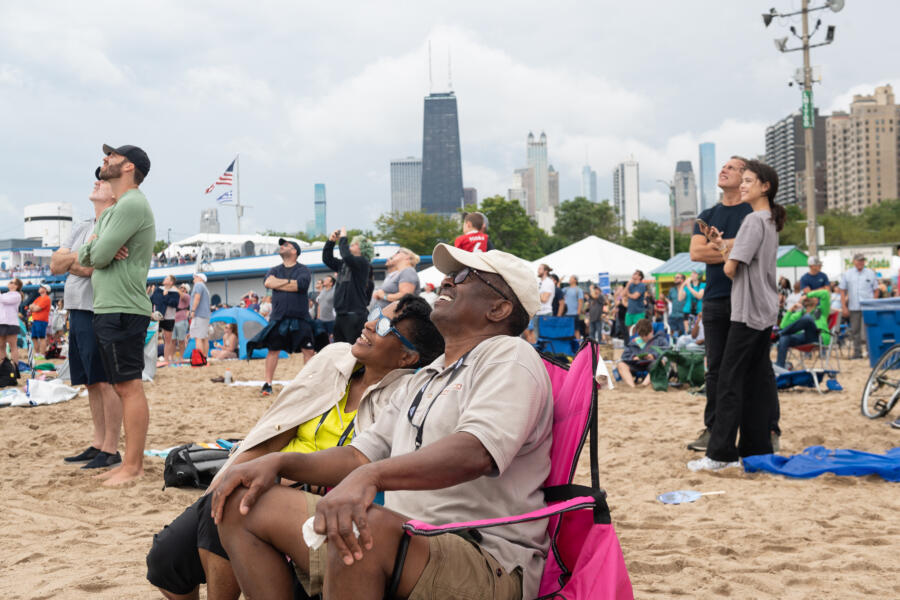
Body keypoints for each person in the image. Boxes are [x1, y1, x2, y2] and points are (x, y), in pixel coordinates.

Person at [209, 243, 551, 600]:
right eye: (449, 275)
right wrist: (278, 461)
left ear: (499, 308)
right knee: (243, 503)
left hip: (484, 557)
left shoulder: (509, 356)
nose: (447, 283)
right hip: (403, 539)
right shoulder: (424, 377)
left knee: (363, 526)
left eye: (464, 276)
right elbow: (359, 456)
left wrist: (370, 477)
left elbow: (477, 451)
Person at [146, 296, 444, 600]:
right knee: (164, 561)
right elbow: (276, 430)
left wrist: (282, 475)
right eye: (375, 314)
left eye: (383, 325)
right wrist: (227, 476)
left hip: (309, 495)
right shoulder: (333, 360)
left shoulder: (406, 398)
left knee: (230, 511)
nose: (368, 324)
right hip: (267, 471)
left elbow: (363, 465)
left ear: (407, 358)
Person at [689, 160, 783, 472]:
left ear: (764, 186)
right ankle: (755, 449)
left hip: (747, 310)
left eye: (748, 180)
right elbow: (717, 258)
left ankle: (721, 454)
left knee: (728, 379)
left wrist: (722, 252)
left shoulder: (753, 221)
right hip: (763, 309)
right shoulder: (769, 220)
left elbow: (731, 270)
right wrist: (724, 246)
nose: (743, 185)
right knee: (754, 380)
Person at [77, 143, 155, 486]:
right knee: (123, 386)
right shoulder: (118, 208)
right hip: (114, 306)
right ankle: (129, 462)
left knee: (128, 386)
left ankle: (133, 466)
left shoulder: (132, 204)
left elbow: (98, 255)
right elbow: (92, 251)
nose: (105, 160)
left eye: (112, 157)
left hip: (123, 307)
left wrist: (98, 247)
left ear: (129, 167)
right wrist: (97, 246)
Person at [51, 177, 124, 470]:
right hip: (77, 307)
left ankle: (111, 448)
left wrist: (73, 262)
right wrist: (78, 261)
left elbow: (97, 266)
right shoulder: (82, 225)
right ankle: (98, 443)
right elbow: (56, 264)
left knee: (106, 381)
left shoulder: (115, 224)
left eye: (104, 181)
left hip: (101, 307)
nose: (97, 182)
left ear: (114, 194)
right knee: (91, 381)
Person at [686, 156, 754, 453]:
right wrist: (732, 248)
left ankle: (766, 427)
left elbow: (752, 247)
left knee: (754, 367)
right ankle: (712, 428)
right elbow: (695, 254)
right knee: (714, 368)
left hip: (747, 296)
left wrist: (722, 246)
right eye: (723, 166)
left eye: (732, 167)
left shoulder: (753, 211)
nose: (723, 170)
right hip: (715, 297)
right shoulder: (708, 213)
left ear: (745, 177)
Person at [247, 239, 315, 397]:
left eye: (286, 245)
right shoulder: (274, 269)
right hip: (279, 317)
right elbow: (268, 283)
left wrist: (280, 284)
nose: (282, 247)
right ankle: (268, 384)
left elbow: (301, 286)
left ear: (294, 251)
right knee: (273, 350)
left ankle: (309, 385)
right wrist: (290, 283)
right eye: (281, 245)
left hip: (300, 317)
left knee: (308, 351)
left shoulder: (303, 270)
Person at [323, 227, 373, 344]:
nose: (351, 245)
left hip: (354, 315)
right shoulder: (343, 265)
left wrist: (343, 238)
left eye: (355, 244)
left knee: (354, 350)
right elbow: (327, 259)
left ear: (362, 249)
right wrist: (331, 242)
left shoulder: (363, 263)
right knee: (340, 349)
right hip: (341, 315)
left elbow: (346, 256)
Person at [774, 288, 831, 368]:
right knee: (785, 336)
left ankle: (777, 335)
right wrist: (791, 310)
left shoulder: (822, 311)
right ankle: (780, 365)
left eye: (813, 296)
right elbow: (783, 326)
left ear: (817, 301)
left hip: (818, 338)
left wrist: (807, 295)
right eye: (806, 296)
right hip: (804, 338)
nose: (808, 298)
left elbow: (825, 293)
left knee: (807, 318)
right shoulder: (800, 314)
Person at [839, 253, 878, 360]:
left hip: (868, 307)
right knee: (855, 331)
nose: (861, 262)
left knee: (869, 330)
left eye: (862, 260)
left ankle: (871, 353)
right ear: (854, 261)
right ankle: (857, 353)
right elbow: (842, 291)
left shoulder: (870, 273)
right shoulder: (848, 274)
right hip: (854, 306)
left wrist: (874, 303)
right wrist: (844, 307)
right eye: (858, 260)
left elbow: (876, 290)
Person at [616, 318, 667, 388]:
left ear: (652, 331)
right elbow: (624, 356)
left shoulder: (660, 340)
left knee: (661, 362)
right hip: (636, 364)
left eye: (646, 335)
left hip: (652, 364)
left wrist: (654, 356)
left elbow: (666, 353)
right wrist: (633, 357)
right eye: (642, 336)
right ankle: (632, 387)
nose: (644, 338)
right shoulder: (634, 341)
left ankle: (644, 385)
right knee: (621, 364)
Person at [152, 275, 180, 365]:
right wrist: (164, 297)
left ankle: (166, 360)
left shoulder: (175, 292)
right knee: (153, 339)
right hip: (157, 316)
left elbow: (174, 304)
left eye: (166, 278)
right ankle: (153, 359)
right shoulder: (158, 290)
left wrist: (166, 296)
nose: (164, 279)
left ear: (171, 282)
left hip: (169, 318)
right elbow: (153, 300)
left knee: (168, 340)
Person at [0, 278, 23, 379]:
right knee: (1, 345)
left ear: (16, 286)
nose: (10, 283)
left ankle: (15, 369)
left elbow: (5, 301)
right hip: (1, 322)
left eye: (12, 282)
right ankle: (4, 367)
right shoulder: (4, 294)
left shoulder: (17, 295)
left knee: (13, 345)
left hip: (11, 322)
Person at [526, 263, 555, 344]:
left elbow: (544, 299)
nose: (537, 271)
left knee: (544, 338)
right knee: (536, 336)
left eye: (540, 269)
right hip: (538, 313)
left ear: (545, 271)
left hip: (545, 313)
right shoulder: (540, 282)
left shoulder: (548, 282)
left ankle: (545, 355)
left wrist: (534, 292)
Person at [188, 273, 212, 361]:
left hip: (199, 314)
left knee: (198, 337)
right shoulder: (205, 288)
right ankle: (205, 358)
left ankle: (200, 359)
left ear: (200, 278)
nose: (194, 279)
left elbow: (197, 298)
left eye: (196, 277)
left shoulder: (198, 285)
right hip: (205, 315)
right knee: (204, 337)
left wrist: (193, 310)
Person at [28, 284, 52, 356]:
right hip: (36, 320)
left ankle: (42, 354)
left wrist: (33, 307)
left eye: (42, 287)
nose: (40, 288)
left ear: (46, 290)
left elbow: (35, 308)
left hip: (42, 320)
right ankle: (38, 353)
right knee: (34, 337)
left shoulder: (46, 298)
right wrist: (33, 307)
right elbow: (30, 306)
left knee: (41, 337)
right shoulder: (39, 298)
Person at [173, 283, 191, 362]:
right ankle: (173, 357)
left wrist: (175, 288)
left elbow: (182, 295)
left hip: (182, 320)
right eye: (181, 287)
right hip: (173, 320)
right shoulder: (176, 297)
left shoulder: (187, 296)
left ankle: (182, 358)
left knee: (181, 341)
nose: (181, 289)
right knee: (172, 341)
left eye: (183, 288)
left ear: (186, 290)